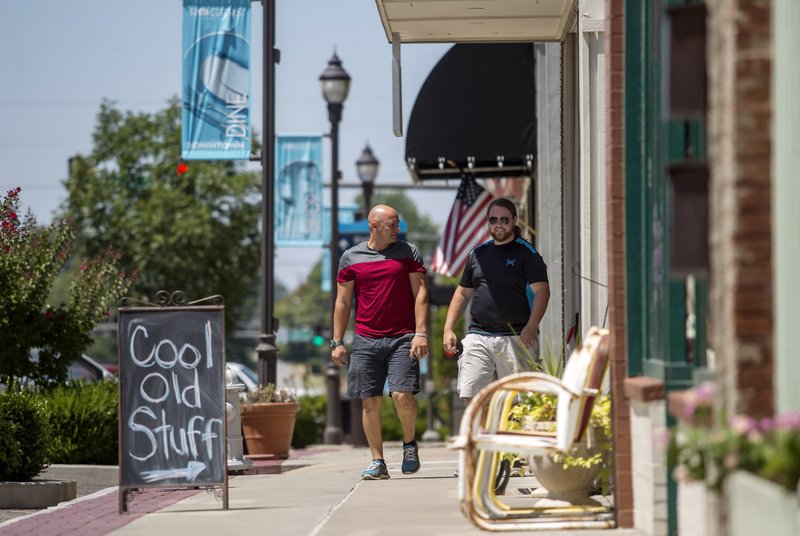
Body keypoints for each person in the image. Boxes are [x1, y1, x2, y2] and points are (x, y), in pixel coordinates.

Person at [331, 204, 429, 480]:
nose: (397, 229)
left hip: (403, 337)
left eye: (397, 224)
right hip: (365, 339)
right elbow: (342, 301)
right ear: (374, 226)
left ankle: (409, 444)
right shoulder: (351, 258)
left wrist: (420, 333)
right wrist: (337, 341)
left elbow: (421, 292)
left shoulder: (408, 253)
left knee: (402, 395)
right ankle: (378, 461)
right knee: (369, 402)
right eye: (391, 225)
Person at [443, 197, 550, 402]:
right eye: (493, 220)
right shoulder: (477, 254)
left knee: (518, 403)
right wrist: (448, 328)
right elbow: (462, 293)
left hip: (516, 337)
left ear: (514, 220)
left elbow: (542, 291)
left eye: (504, 219)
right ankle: (483, 433)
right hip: (479, 336)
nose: (498, 224)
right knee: (472, 396)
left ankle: (507, 433)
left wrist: (532, 324)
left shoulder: (526, 253)